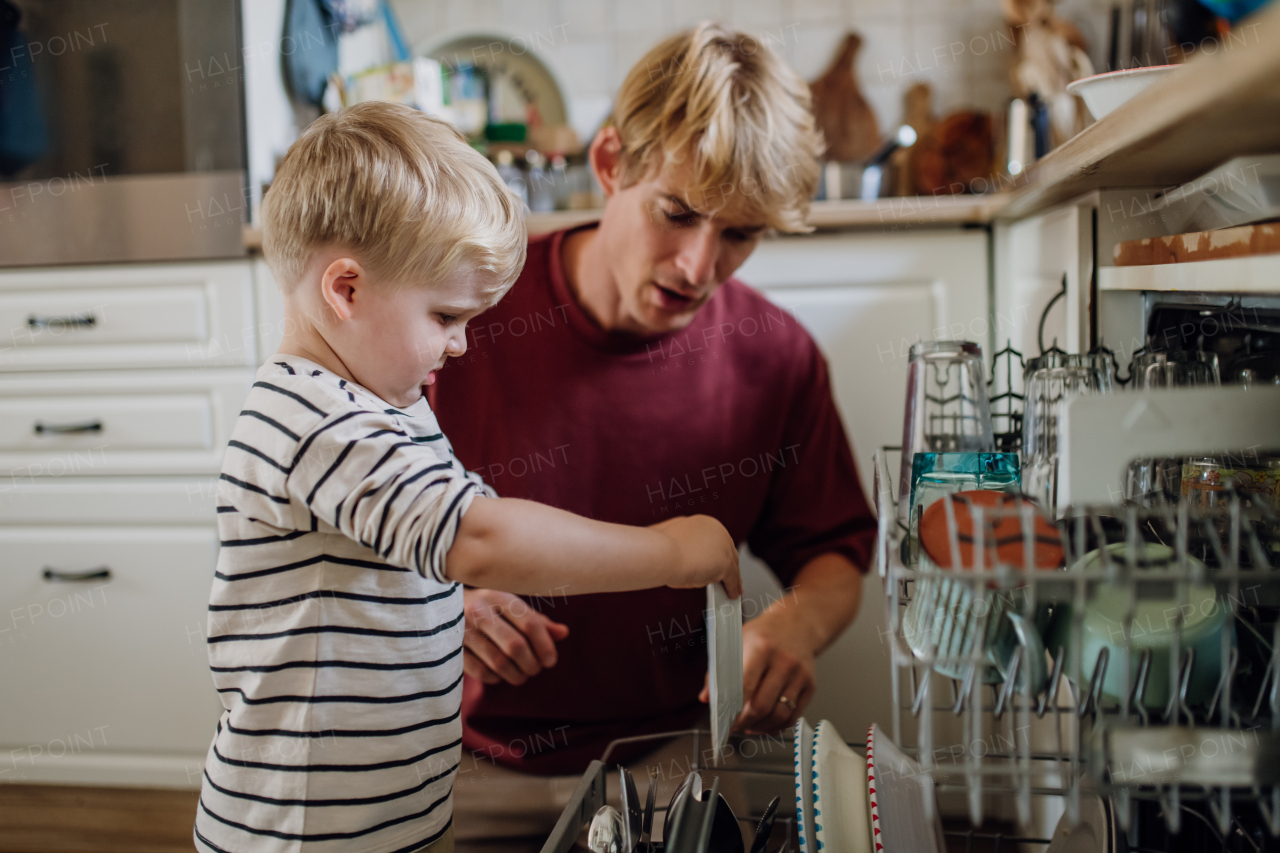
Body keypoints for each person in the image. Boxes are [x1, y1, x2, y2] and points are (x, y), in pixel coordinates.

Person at [193, 101, 742, 853]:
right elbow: (476, 536)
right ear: (345, 291)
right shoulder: (310, 418)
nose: (458, 346)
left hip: (394, 813)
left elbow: (447, 538)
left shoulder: (386, 405)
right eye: (447, 315)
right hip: (301, 830)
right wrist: (672, 552)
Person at [432, 23, 878, 848]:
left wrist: (793, 627)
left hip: (676, 764)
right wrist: (439, 603)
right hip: (458, 756)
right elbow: (345, 525)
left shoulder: (774, 358)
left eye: (740, 235)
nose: (698, 267)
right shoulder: (456, 321)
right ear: (610, 165)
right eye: (677, 214)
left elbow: (835, 554)